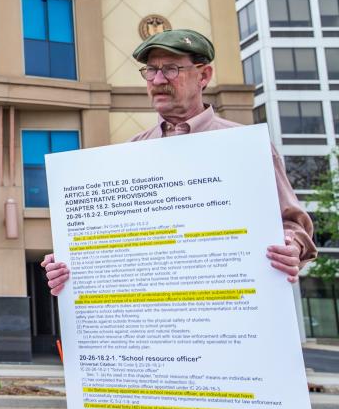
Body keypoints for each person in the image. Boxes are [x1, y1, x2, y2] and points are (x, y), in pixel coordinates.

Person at [42, 29, 317, 295]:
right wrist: (73, 266)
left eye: (171, 68)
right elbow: (118, 243)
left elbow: (293, 223)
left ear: (204, 75)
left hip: (234, 314)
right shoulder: (129, 153)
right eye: (151, 70)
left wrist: (291, 246)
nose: (158, 79)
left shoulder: (247, 147)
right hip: (158, 324)